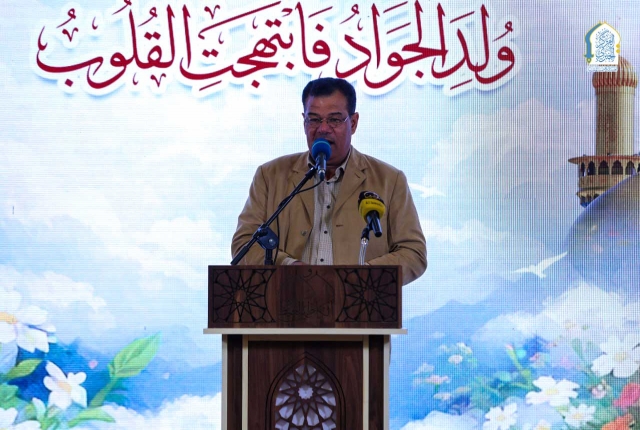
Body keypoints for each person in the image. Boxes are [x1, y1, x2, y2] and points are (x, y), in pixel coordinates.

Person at [231, 77, 427, 285]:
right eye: (314, 119)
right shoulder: (270, 176)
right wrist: (288, 267)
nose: (323, 129)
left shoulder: (389, 180)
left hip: (359, 302)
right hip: (286, 299)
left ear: (353, 123)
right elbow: (244, 244)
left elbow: (413, 252)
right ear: (304, 122)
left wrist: (363, 277)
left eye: (334, 120)